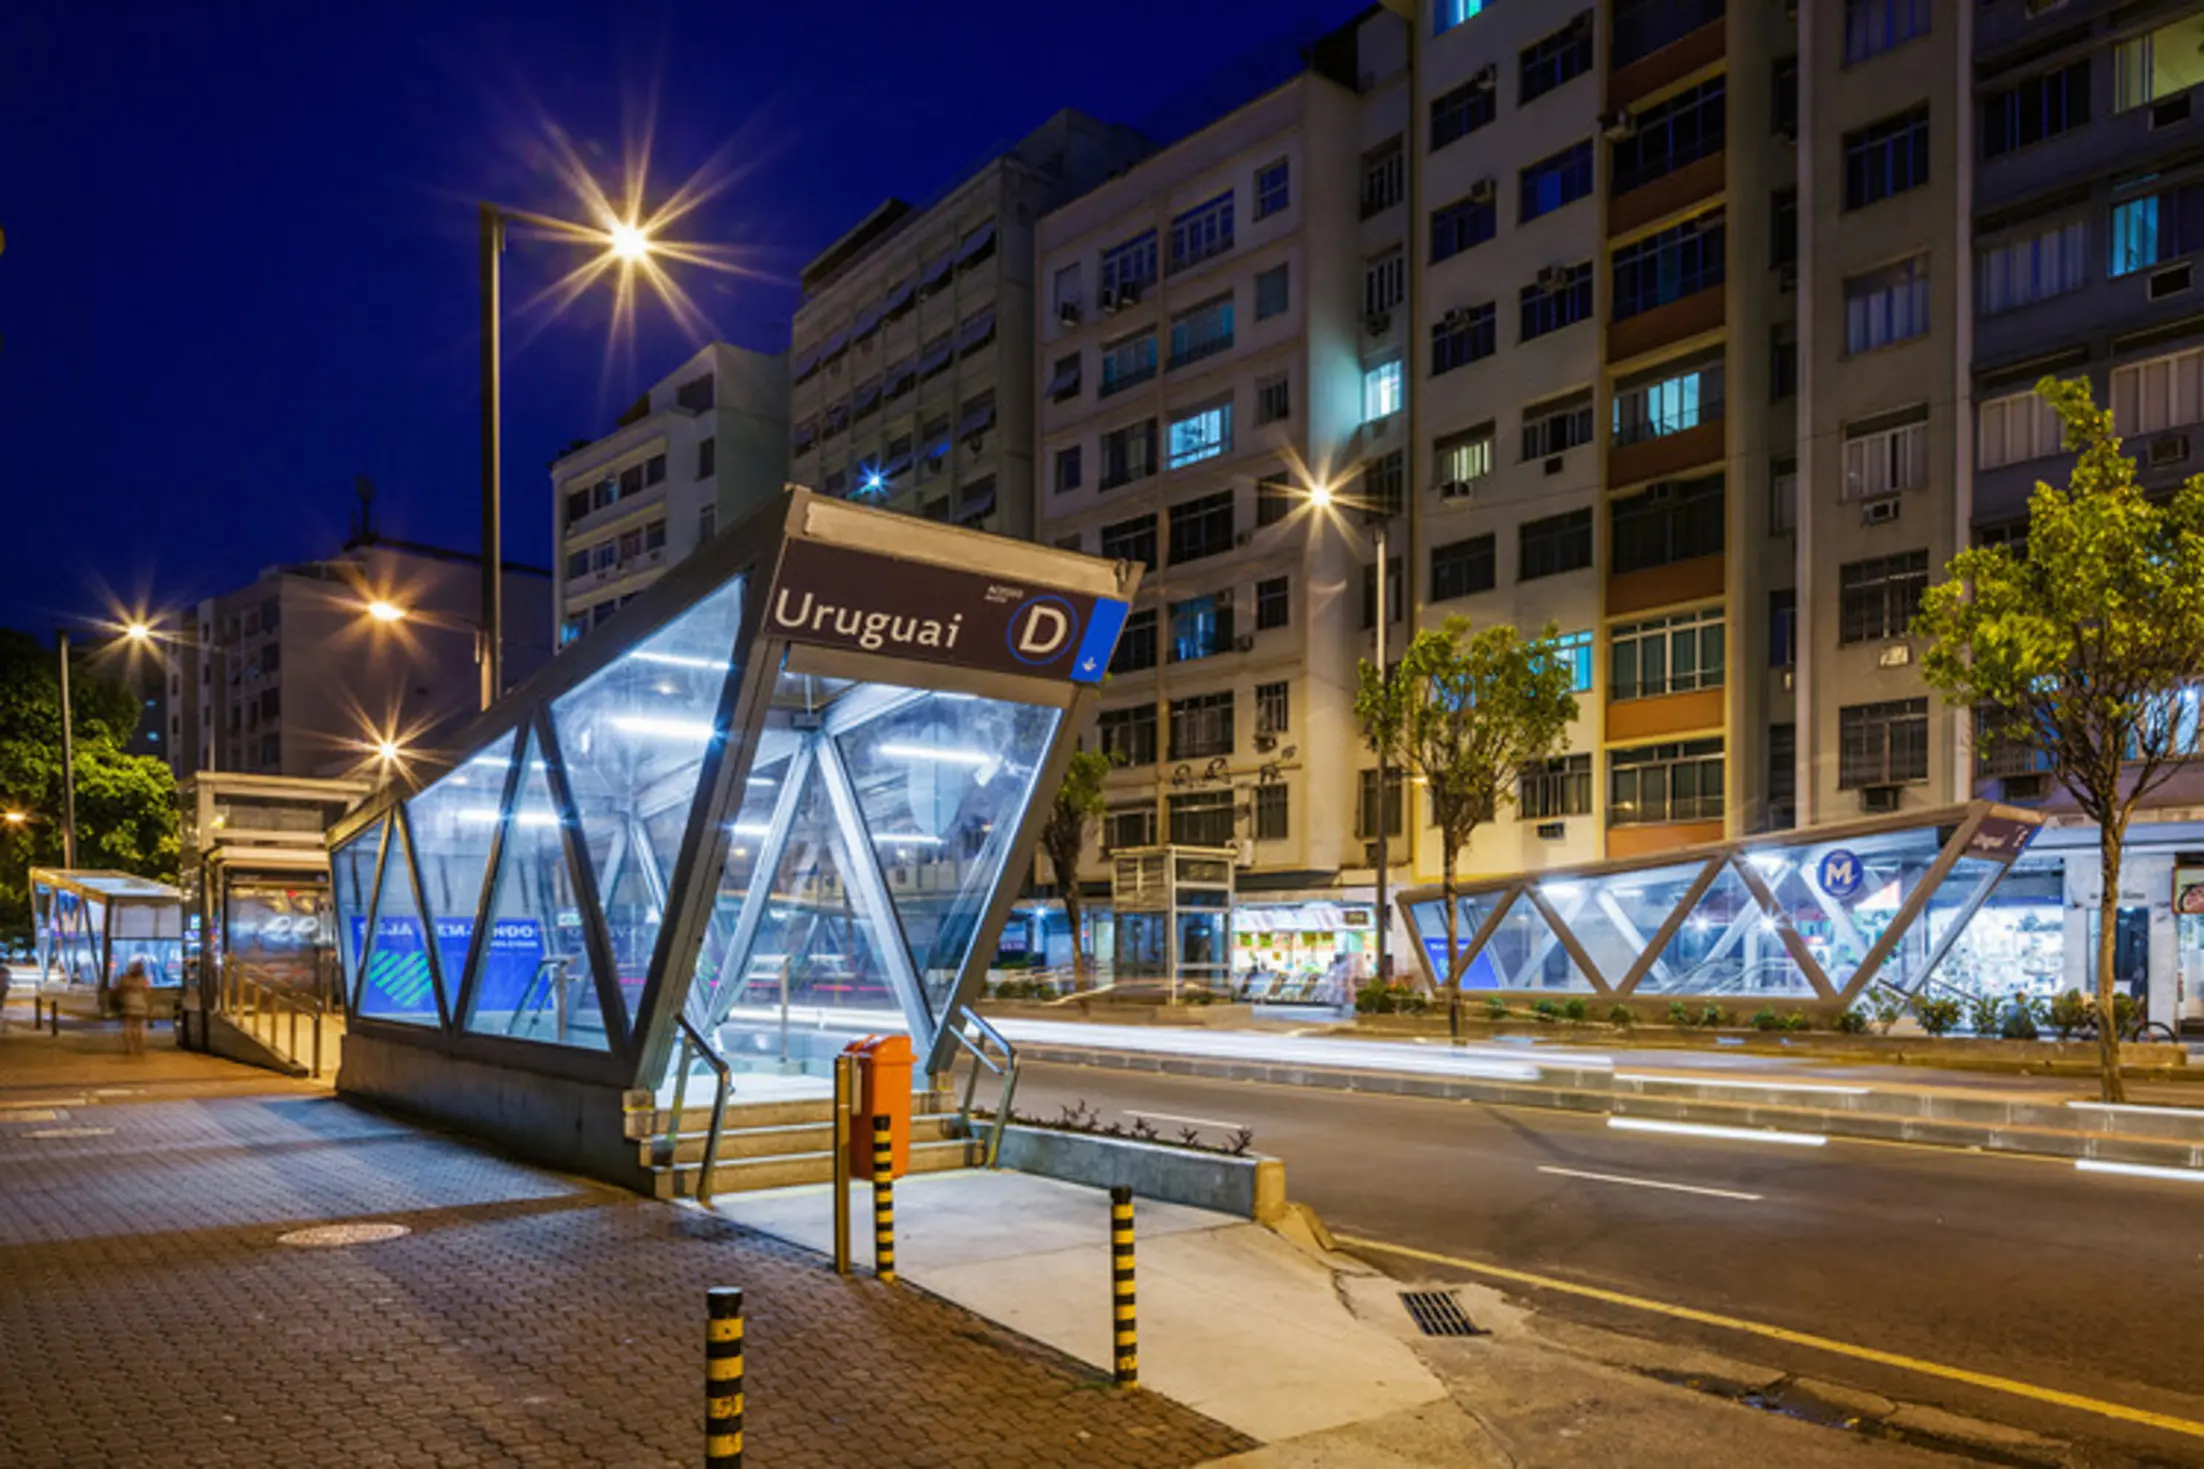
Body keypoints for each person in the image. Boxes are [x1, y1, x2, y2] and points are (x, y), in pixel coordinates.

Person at [116, 959, 152, 1057]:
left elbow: (119, 991)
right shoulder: (144, 980)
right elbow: (148, 993)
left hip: (128, 1005)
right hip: (141, 1005)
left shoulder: (125, 979)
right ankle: (140, 1048)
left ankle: (129, 1049)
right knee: (141, 1028)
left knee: (128, 1027)